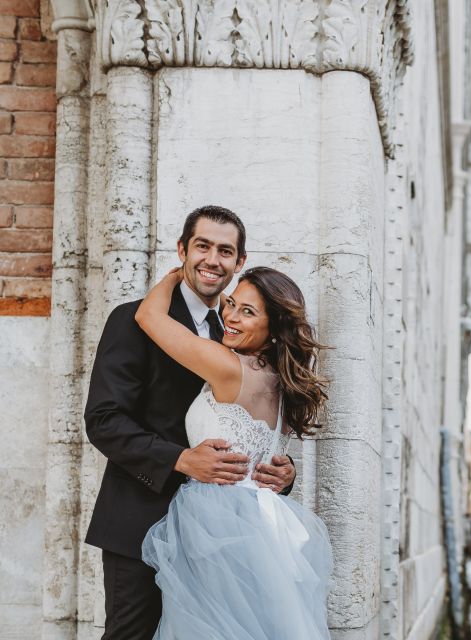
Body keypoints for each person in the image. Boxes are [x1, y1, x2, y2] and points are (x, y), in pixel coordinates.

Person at [84, 206, 297, 639]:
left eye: (225, 251)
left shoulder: (236, 331)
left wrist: (282, 473)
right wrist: (181, 459)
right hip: (139, 522)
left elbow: (246, 421)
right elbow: (103, 420)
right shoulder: (133, 319)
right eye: (202, 246)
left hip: (220, 541)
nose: (212, 260)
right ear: (182, 250)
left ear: (239, 263)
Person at [135, 264, 332, 638]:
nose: (230, 316)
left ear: (274, 329)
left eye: (248, 311)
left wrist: (177, 274)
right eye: (231, 304)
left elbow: (148, 316)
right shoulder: (282, 382)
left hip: (214, 521)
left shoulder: (228, 367)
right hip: (259, 526)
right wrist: (286, 470)